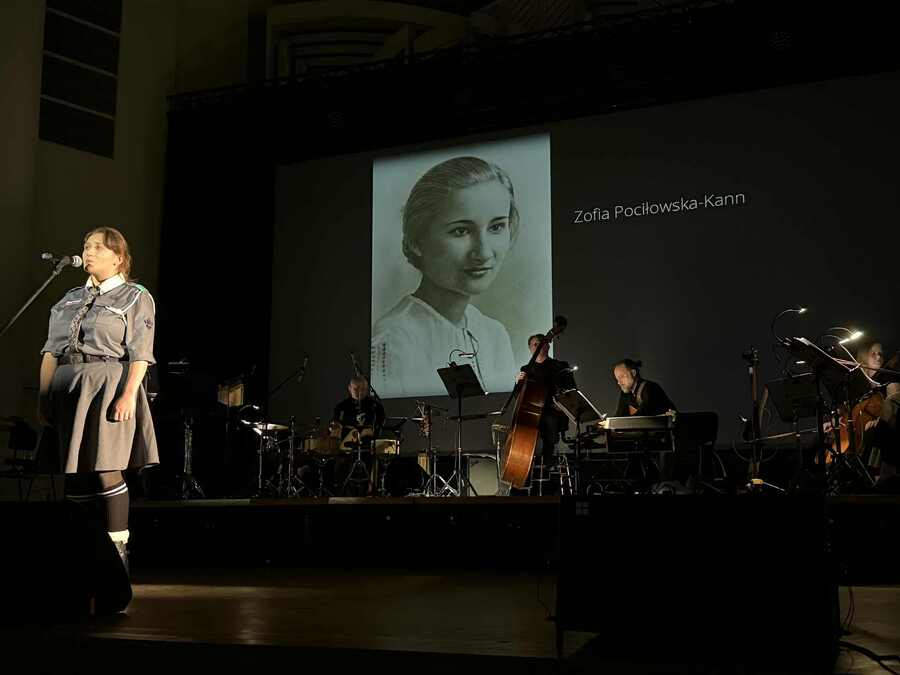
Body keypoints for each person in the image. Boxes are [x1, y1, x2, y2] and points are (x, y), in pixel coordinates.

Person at [37, 227, 158, 580]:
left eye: (98, 248)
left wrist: (128, 395)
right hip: (67, 385)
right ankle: (81, 554)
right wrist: (44, 397)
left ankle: (118, 553)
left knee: (106, 468)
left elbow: (140, 352)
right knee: (74, 473)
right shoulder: (69, 298)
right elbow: (49, 351)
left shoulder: (134, 297)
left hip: (107, 384)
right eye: (86, 247)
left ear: (118, 257)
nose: (88, 253)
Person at [371, 156, 519, 398]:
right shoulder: (394, 341)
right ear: (417, 241)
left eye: (496, 227)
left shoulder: (494, 335)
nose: (482, 253)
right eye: (461, 231)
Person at [515, 334, 576, 487]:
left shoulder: (559, 366)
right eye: (534, 344)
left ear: (548, 346)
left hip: (552, 412)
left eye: (541, 343)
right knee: (520, 429)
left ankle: (549, 467)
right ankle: (522, 470)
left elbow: (571, 390)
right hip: (532, 413)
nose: (538, 347)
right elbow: (520, 396)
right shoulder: (526, 369)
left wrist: (560, 403)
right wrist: (519, 383)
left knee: (548, 422)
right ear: (530, 348)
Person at [329, 376, 385, 495]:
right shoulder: (342, 407)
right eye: (356, 389)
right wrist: (335, 428)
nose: (360, 392)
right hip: (347, 448)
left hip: (368, 448)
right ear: (349, 388)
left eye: (364, 389)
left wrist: (369, 432)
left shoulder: (375, 406)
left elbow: (380, 426)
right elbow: (336, 426)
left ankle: (372, 491)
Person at [612, 359, 676, 417]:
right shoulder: (625, 393)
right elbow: (619, 415)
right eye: (617, 379)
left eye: (621, 377)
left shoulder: (650, 388)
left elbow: (642, 415)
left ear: (633, 373)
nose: (619, 382)